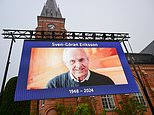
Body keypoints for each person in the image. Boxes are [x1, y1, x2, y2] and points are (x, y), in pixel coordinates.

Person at [47, 48, 114, 88]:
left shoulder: (106, 82)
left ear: (87, 60)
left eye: (81, 60)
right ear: (66, 64)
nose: (78, 65)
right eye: (72, 61)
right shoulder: (54, 84)